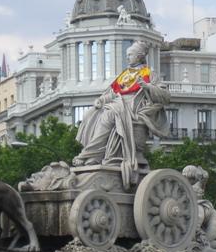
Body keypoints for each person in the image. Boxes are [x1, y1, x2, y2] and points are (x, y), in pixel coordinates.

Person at [73, 40, 170, 188]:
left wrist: (148, 86)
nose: (127, 58)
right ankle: (94, 156)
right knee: (91, 113)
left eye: (130, 55)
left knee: (109, 114)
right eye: (127, 55)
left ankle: (89, 154)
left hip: (133, 108)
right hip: (118, 103)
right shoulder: (124, 75)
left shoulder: (149, 74)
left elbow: (165, 96)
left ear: (139, 56)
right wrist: (101, 100)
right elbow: (112, 93)